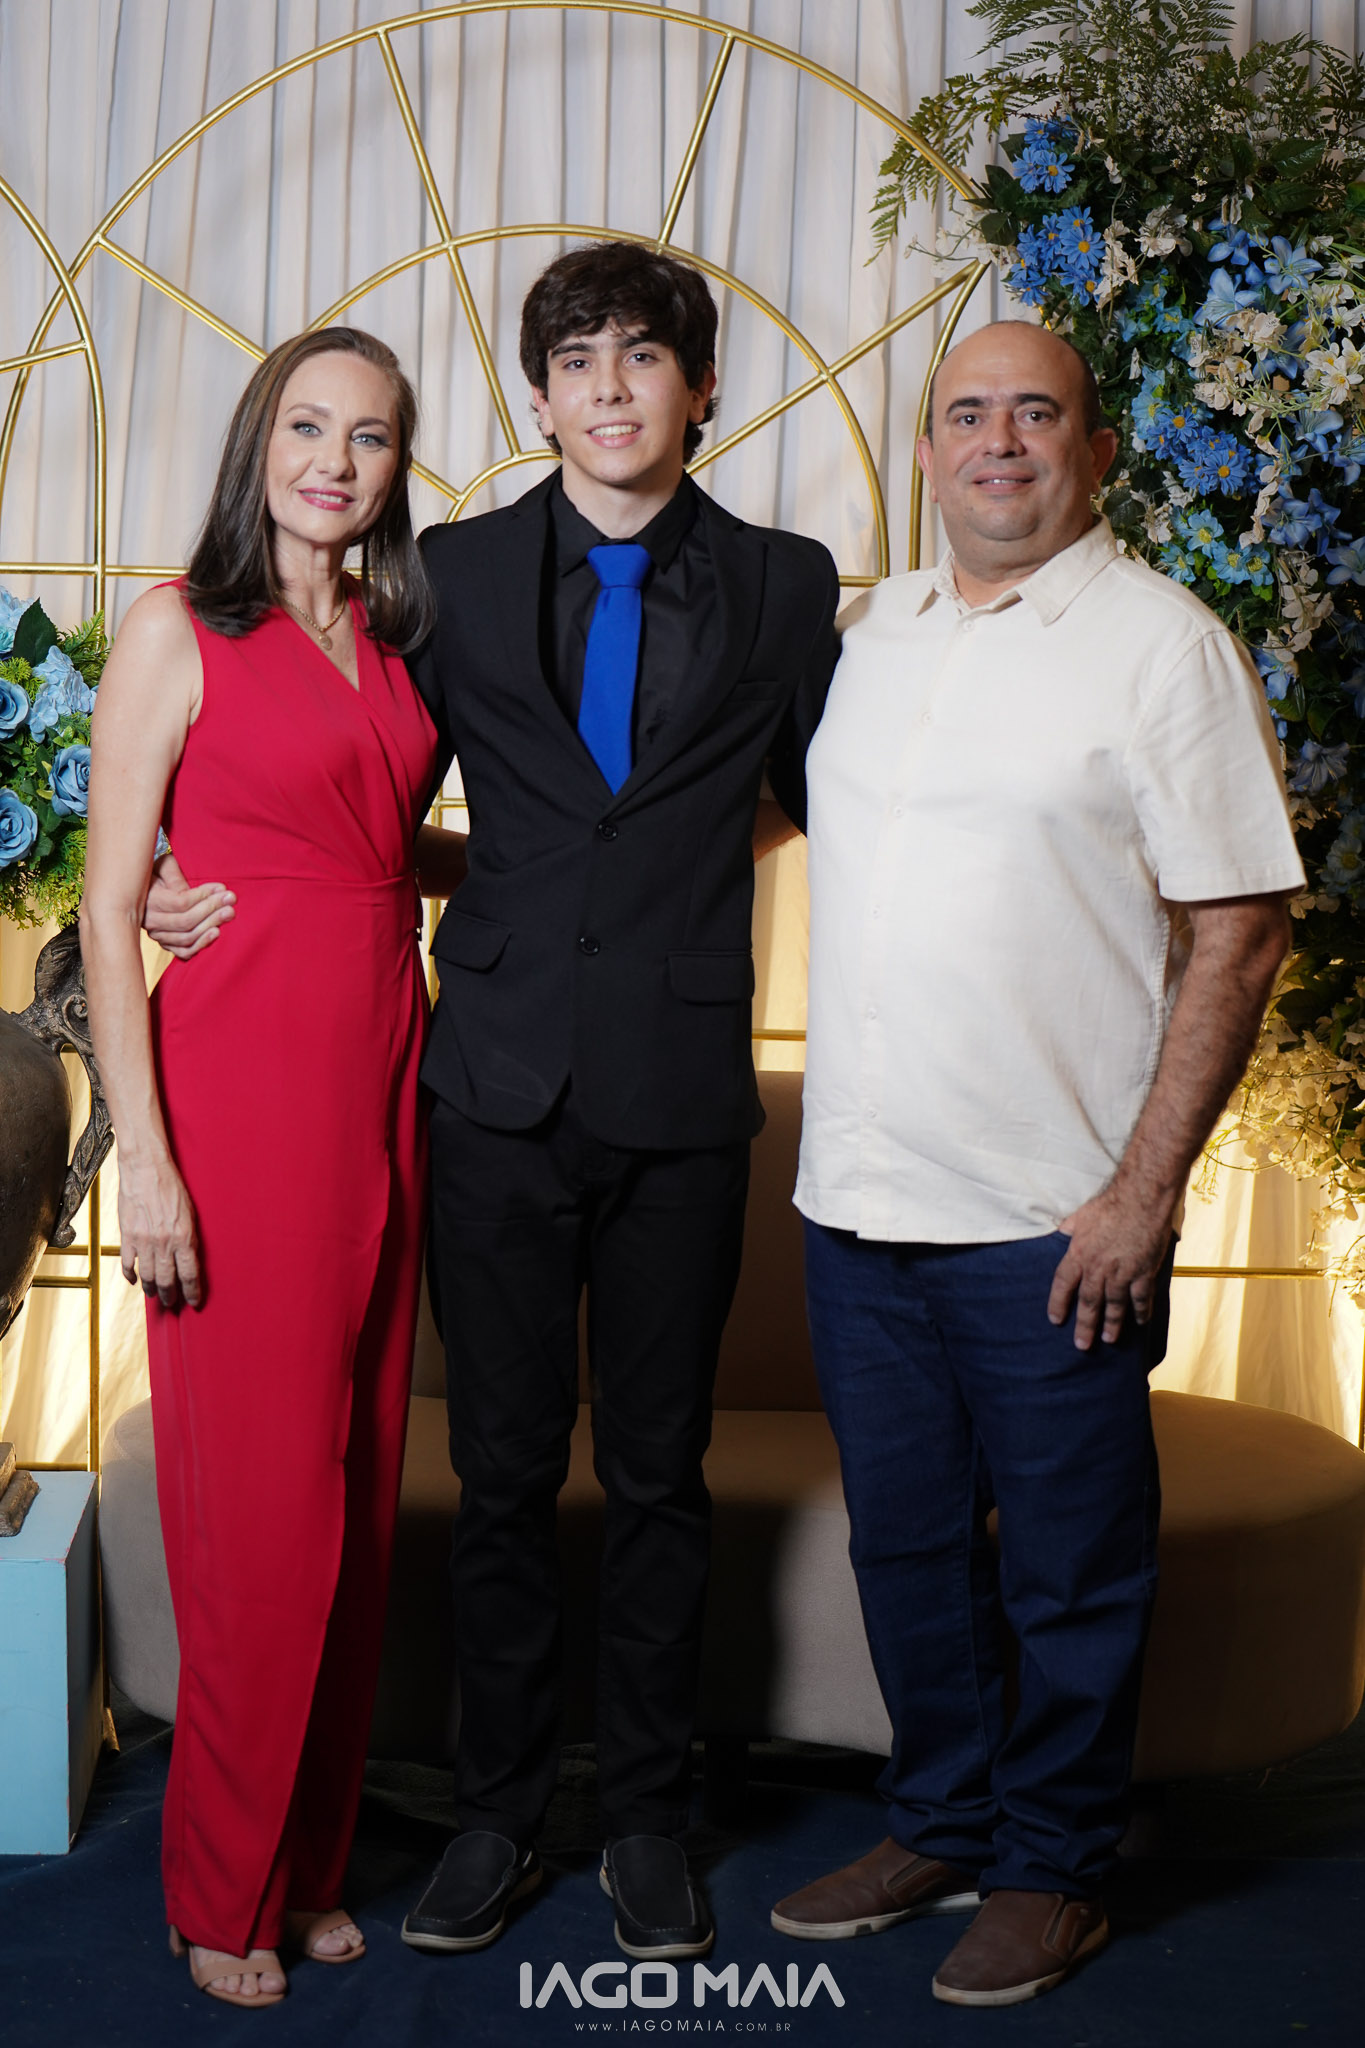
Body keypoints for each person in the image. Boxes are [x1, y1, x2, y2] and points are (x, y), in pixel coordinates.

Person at [145, 242, 840, 1959]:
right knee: (503, 1472)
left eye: (642, 357)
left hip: (681, 1088)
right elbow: (344, 785)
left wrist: (676, 874)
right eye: (576, 361)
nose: (609, 388)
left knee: (661, 1474)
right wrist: (175, 862)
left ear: (699, 387)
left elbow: (821, 792)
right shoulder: (443, 579)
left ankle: (652, 1821)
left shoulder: (784, 582)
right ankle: (498, 1814)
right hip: (489, 1088)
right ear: (537, 399)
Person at [769, 320, 1305, 2008]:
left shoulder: (1162, 648)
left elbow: (1241, 928)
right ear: (926, 452)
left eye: (1035, 413)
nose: (997, 442)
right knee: (907, 1550)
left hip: (1051, 1222)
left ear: (1094, 448)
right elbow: (743, 820)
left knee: (1072, 1567)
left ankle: (1053, 1865)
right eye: (966, 415)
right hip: (858, 1204)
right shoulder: (876, 636)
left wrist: (1142, 1196)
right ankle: (939, 1820)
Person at [81, 327, 454, 2007]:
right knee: (259, 1514)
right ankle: (215, 1886)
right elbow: (110, 912)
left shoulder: (394, 631)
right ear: (259, 442)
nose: (334, 463)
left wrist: (562, 866)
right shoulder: (179, 625)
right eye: (308, 427)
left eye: (368, 439)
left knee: (353, 1501)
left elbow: (376, 842)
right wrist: (146, 1164)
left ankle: (304, 1867)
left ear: (394, 469)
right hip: (238, 1089)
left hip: (385, 1069)